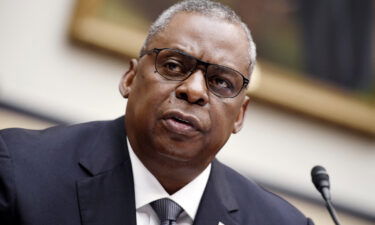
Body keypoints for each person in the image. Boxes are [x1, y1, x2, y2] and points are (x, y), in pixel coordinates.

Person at [0, 0, 314, 224]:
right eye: (174, 66)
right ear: (130, 78)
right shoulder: (19, 171)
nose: (194, 90)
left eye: (220, 81)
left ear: (240, 115)